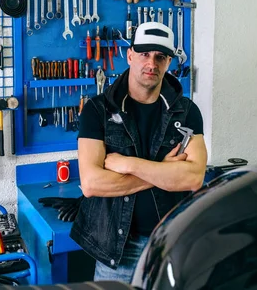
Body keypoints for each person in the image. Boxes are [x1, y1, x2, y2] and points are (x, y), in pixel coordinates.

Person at [70, 22, 208, 283]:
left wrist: (128, 164)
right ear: (130, 55)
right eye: (144, 54)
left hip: (171, 243)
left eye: (160, 57)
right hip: (119, 250)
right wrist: (164, 170)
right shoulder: (97, 111)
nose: (152, 64)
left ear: (169, 62)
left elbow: (192, 178)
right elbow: (90, 183)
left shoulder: (187, 111)